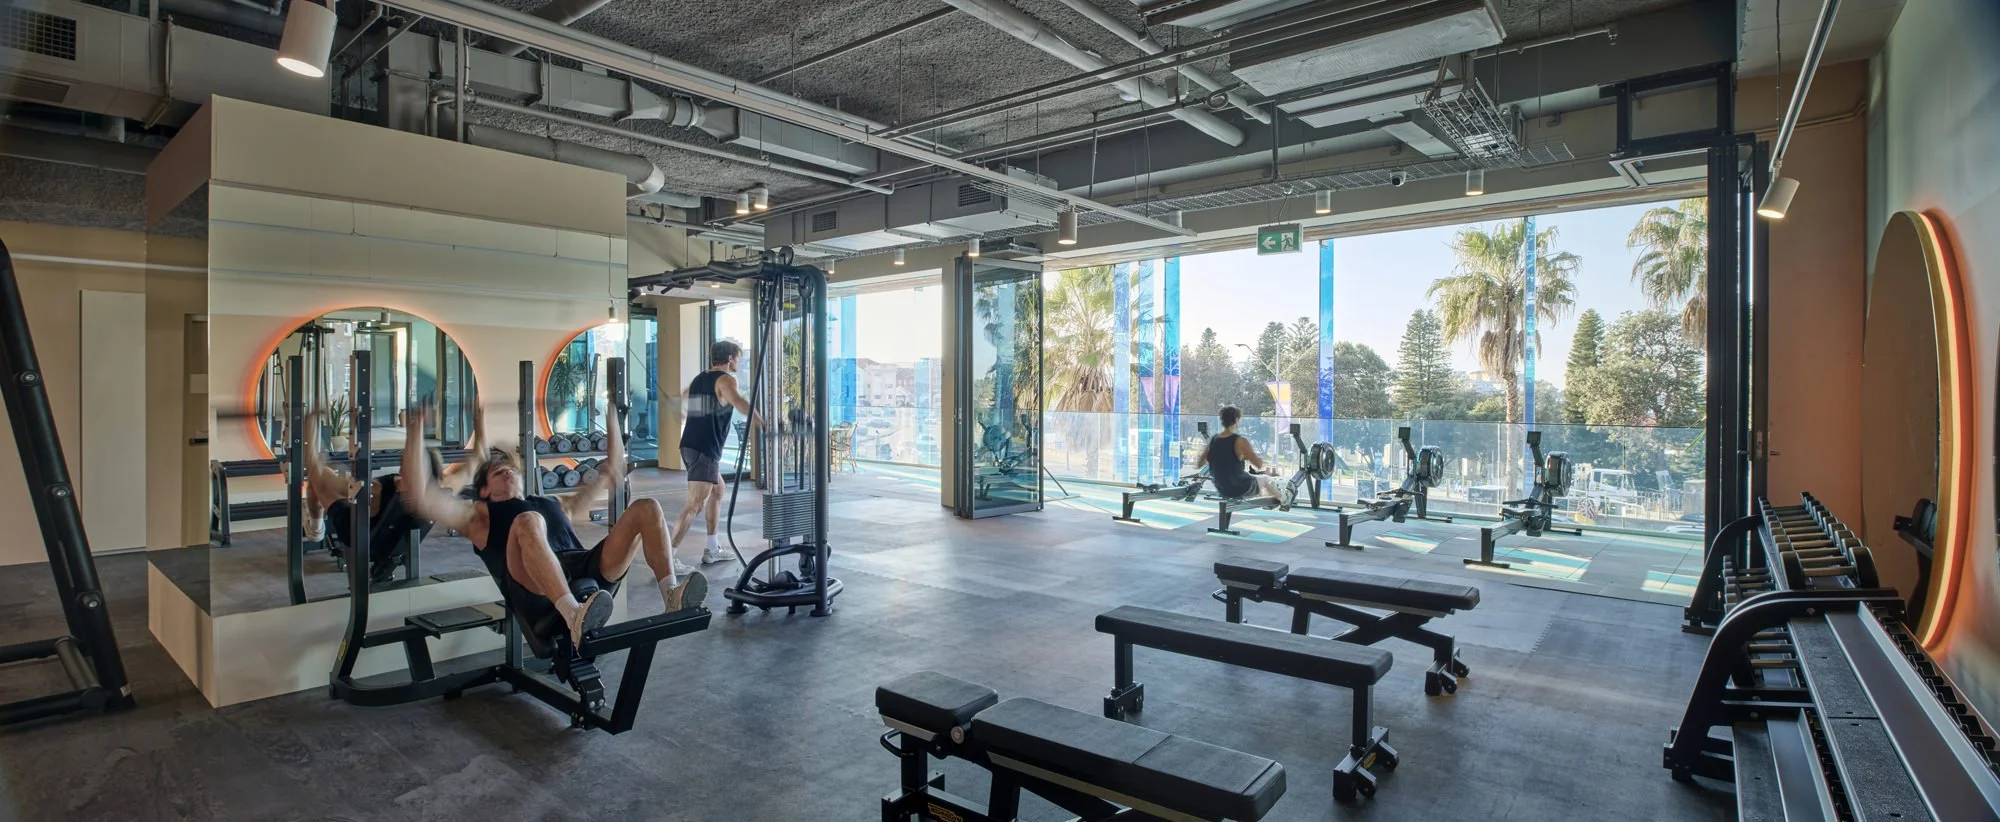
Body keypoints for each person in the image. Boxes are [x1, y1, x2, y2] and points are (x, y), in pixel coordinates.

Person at [399, 401, 705, 646]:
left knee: (646, 508)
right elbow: (421, 499)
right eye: (497, 472)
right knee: (528, 520)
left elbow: (612, 468)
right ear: (484, 490)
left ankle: (671, 595)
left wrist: (612, 411)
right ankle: (573, 616)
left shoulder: (554, 504)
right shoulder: (479, 517)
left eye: (510, 469)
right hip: (534, 589)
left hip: (583, 570)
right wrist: (414, 432)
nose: (507, 472)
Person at [674, 339, 763, 566]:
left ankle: (712, 548)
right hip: (704, 448)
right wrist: (762, 422)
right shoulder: (726, 379)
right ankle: (668, 558)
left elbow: (684, 400)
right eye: (738, 359)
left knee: (717, 490)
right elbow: (738, 401)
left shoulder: (699, 379)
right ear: (730, 357)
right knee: (695, 503)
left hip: (691, 446)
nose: (738, 363)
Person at [1194, 405, 1285, 506]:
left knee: (1256, 480)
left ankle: (1269, 498)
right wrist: (1248, 455)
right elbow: (1258, 465)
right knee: (1266, 480)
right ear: (1236, 420)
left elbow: (1199, 464)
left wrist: (1218, 457)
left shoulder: (1213, 441)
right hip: (1240, 488)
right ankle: (1283, 500)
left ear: (1222, 420)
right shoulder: (1240, 441)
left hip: (1222, 489)